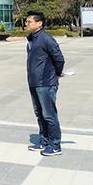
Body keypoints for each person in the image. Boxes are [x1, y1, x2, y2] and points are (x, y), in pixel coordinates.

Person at [25, 10, 66, 156]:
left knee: (49, 115)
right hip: (34, 82)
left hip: (46, 83)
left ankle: (55, 144)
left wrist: (56, 74)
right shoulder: (31, 38)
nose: (26, 23)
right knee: (40, 114)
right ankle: (44, 140)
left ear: (39, 23)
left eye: (29, 21)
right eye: (27, 21)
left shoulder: (46, 38)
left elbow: (59, 58)